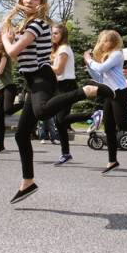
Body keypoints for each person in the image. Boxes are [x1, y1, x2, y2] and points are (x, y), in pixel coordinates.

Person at [0, 0, 112, 203]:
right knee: (21, 134)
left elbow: (13, 52)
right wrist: (11, 34)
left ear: (41, 3)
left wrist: (6, 37)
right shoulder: (27, 25)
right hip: (32, 80)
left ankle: (86, 91)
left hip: (42, 76)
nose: (29, 1)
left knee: (42, 112)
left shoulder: (38, 24)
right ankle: (28, 182)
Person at [84, 30, 127, 174]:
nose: (102, 43)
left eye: (105, 41)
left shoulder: (117, 54)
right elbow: (99, 77)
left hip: (120, 92)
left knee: (122, 123)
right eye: (102, 41)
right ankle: (112, 161)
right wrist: (89, 66)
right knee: (108, 128)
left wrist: (89, 60)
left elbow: (101, 68)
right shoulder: (107, 56)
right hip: (109, 92)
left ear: (113, 42)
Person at [50, 23, 80, 165]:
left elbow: (58, 70)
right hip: (61, 86)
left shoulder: (64, 49)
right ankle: (66, 153)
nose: (53, 35)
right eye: (52, 33)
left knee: (61, 120)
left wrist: (45, 65)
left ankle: (91, 116)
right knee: (59, 121)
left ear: (63, 35)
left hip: (67, 86)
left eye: (56, 33)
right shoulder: (59, 49)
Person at [0, 36, 22, 156]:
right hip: (1, 89)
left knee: (7, 110)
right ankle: (0, 146)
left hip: (9, 87)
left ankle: (25, 104)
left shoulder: (4, 55)